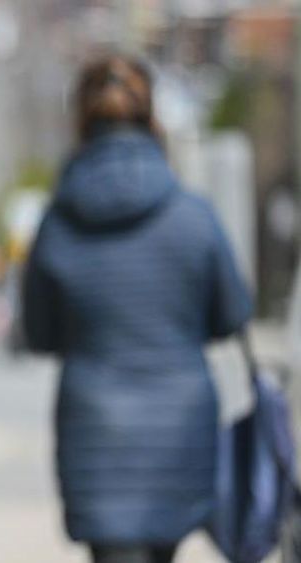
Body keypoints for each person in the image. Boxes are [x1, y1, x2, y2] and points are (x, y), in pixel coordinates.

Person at [22, 55, 252, 563]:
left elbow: (37, 333)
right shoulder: (193, 215)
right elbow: (233, 315)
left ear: (80, 120)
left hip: (95, 429)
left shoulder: (58, 222)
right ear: (153, 118)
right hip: (180, 426)